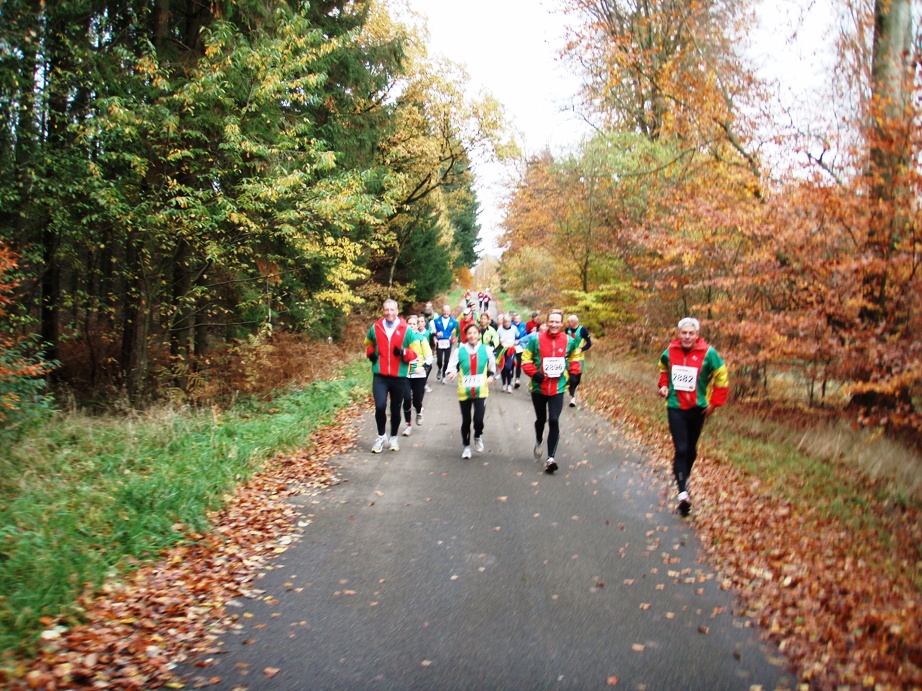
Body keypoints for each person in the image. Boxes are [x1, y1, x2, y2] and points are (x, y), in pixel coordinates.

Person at [657, 317, 729, 516]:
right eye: (684, 333)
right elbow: (663, 367)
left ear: (697, 335)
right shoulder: (670, 351)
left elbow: (722, 376)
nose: (687, 336)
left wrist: (715, 403)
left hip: (698, 409)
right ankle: (682, 494)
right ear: (678, 334)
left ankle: (683, 477)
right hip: (675, 407)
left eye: (691, 333)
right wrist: (663, 385)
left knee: (691, 450)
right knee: (680, 448)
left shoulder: (708, 353)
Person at [522, 309, 581, 473]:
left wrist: (575, 373)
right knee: (541, 420)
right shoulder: (536, 340)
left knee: (554, 420)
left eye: (557, 322)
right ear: (547, 323)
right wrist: (534, 373)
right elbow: (525, 358)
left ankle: (550, 458)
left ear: (562, 324)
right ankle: (539, 439)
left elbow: (575, 357)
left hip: (558, 387)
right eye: (551, 321)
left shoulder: (569, 341)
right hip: (539, 388)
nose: (554, 324)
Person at [364, 299, 419, 453]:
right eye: (386, 310)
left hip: (398, 376)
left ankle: (393, 437)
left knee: (395, 409)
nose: (389, 313)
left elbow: (415, 352)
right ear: (383, 311)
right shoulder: (376, 327)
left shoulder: (406, 329)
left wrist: (403, 353)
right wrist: (370, 354)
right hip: (380, 375)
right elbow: (367, 343)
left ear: (397, 310)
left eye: (391, 310)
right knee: (380, 406)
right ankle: (381, 436)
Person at [445, 322, 497, 459]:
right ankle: (466, 447)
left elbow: (492, 367)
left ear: (479, 335)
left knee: (478, 419)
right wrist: (451, 373)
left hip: (481, 390)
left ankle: (478, 435)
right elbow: (451, 367)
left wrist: (491, 376)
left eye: (475, 333)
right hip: (464, 391)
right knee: (466, 420)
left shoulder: (486, 350)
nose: (472, 335)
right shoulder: (459, 351)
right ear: (466, 336)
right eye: (469, 333)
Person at [402, 315, 433, 436]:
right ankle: (408, 425)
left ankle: (419, 411)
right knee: (406, 398)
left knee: (416, 401)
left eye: (414, 324)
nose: (411, 326)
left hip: (419, 374)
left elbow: (429, 357)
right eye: (409, 323)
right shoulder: (402, 339)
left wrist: (423, 367)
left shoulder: (421, 339)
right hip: (405, 373)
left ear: (417, 326)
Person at [565, 314, 592, 408]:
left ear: (574, 322)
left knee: (577, 379)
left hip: (579, 359)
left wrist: (582, 349)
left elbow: (589, 343)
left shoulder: (582, 330)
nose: (567, 323)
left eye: (569, 322)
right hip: (568, 358)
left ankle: (572, 388)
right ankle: (572, 398)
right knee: (572, 378)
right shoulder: (566, 330)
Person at [433, 304, 459, 383]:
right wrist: (435, 336)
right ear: (442, 311)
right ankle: (440, 369)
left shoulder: (454, 321)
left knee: (447, 360)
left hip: (448, 341)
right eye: (444, 311)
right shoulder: (436, 320)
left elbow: (457, 331)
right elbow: (433, 331)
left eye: (447, 311)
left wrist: (455, 338)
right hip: (439, 341)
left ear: (450, 312)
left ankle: (443, 375)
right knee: (439, 360)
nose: (446, 312)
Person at [495, 313, 519, 393]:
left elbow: (518, 336)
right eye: (505, 322)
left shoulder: (514, 328)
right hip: (502, 350)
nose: (506, 323)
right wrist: (499, 342)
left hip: (510, 350)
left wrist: (516, 341)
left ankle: (509, 385)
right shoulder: (500, 330)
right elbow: (496, 340)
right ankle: (504, 384)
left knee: (509, 367)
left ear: (510, 321)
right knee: (503, 368)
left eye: (508, 322)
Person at [511, 312, 527, 388]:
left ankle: (517, 379)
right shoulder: (511, 325)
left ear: (520, 319)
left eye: (518, 319)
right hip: (511, 346)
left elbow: (526, 335)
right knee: (512, 363)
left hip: (520, 346)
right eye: (515, 319)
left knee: (518, 364)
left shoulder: (523, 325)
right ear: (513, 319)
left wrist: (523, 341)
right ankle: (511, 378)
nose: (517, 320)